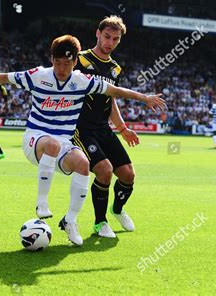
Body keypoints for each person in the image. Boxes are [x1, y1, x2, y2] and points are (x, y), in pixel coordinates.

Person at [0, 35, 165, 245]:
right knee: (52, 144)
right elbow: (5, 77)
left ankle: (70, 220)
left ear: (75, 62)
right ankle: (41, 204)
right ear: (52, 60)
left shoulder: (82, 81)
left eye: (67, 63)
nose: (61, 68)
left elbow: (115, 91)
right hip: (35, 139)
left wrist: (144, 98)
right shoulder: (38, 75)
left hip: (64, 143)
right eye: (57, 62)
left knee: (83, 163)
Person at [72, 16, 141, 238]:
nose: (110, 42)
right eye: (107, 36)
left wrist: (123, 128)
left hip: (103, 129)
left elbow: (111, 102)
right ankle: (100, 223)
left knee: (128, 175)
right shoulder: (79, 60)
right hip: (81, 129)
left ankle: (117, 210)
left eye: (115, 39)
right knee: (104, 171)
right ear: (97, 34)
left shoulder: (115, 69)